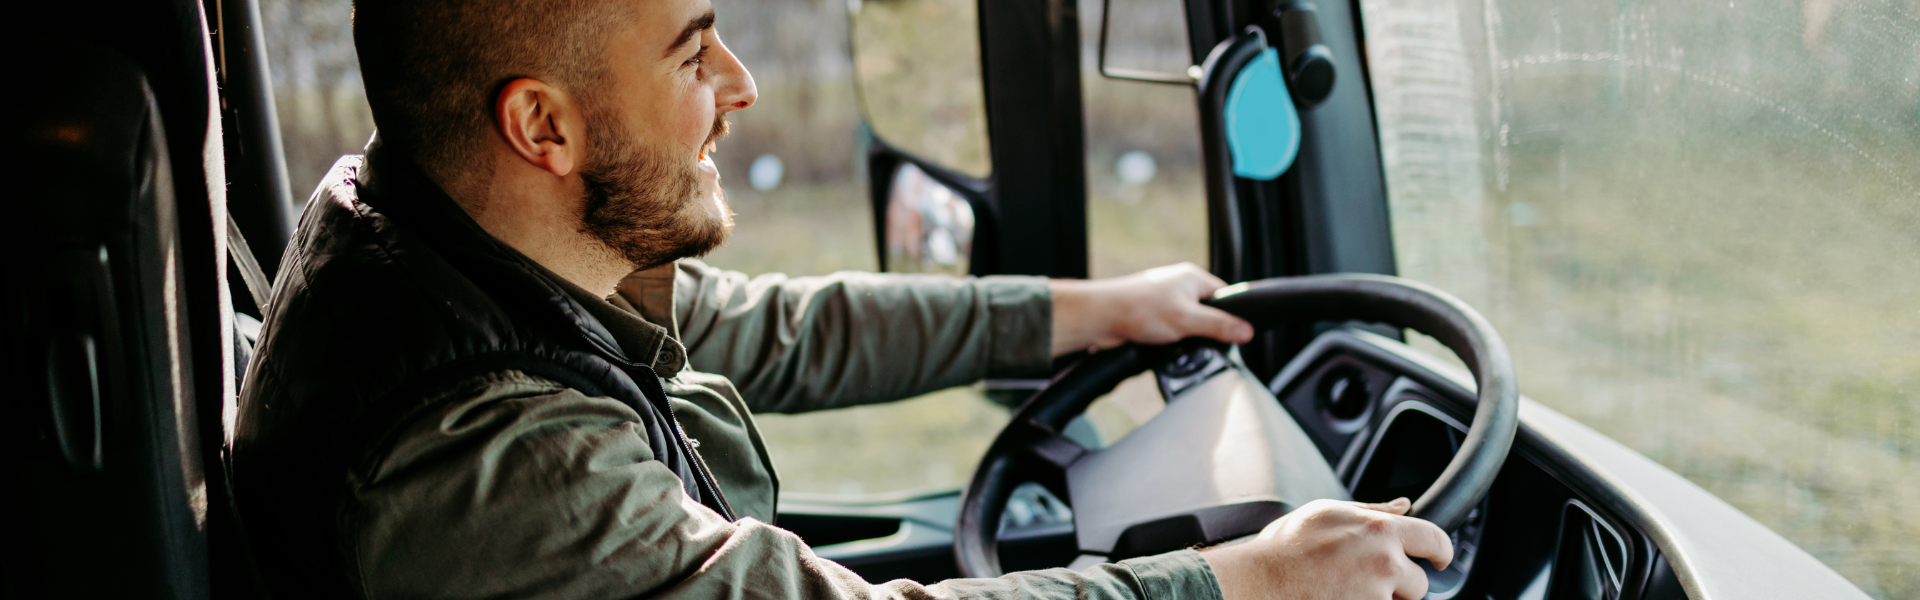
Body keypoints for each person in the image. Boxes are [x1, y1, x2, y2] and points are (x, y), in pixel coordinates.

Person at [228, 0, 1453, 598]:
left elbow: (780, 329)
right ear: (541, 125)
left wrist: (1096, 310)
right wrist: (1241, 582)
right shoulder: (488, 450)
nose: (740, 84)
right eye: (693, 51)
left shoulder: (443, 247)